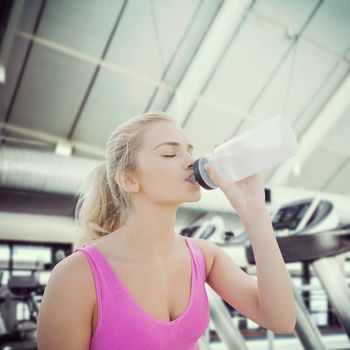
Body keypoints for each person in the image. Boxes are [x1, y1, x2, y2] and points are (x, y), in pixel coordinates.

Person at [36, 112, 296, 349]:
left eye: (189, 151)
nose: (190, 161)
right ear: (129, 179)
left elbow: (281, 320)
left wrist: (256, 216)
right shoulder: (76, 276)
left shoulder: (205, 257)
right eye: (170, 154)